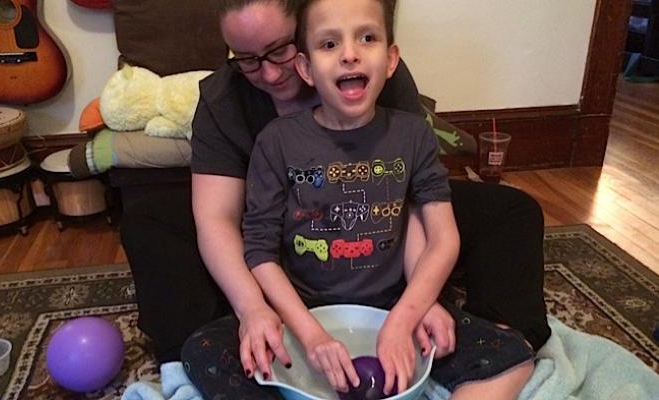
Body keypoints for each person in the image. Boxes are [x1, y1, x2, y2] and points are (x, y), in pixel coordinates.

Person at [180, 0, 545, 398]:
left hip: (389, 295)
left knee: (510, 341)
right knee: (202, 348)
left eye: (277, 49)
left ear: (390, 60)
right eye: (248, 59)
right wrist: (259, 312)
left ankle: (504, 328)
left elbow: (411, 209)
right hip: (302, 299)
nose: (267, 71)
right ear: (308, 63)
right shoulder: (267, 136)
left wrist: (417, 307)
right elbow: (245, 236)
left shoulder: (407, 129)